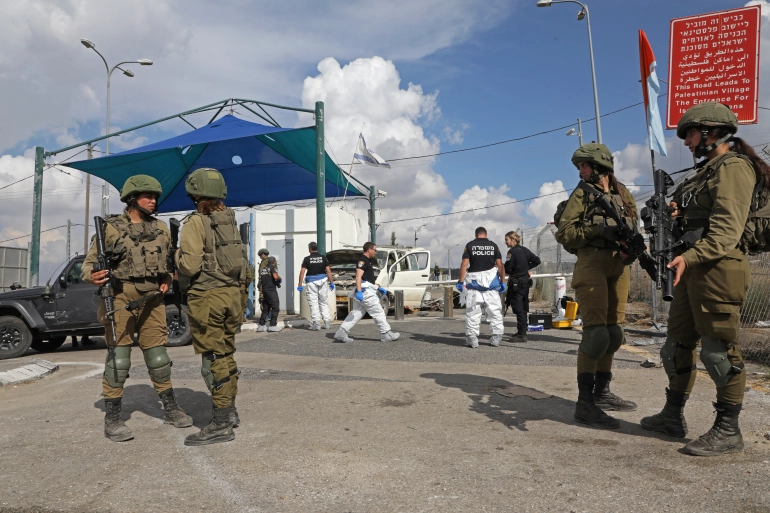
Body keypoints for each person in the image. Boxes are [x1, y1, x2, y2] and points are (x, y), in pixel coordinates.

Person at [640, 102, 765, 456]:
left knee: (718, 351)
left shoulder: (734, 167)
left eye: (691, 134)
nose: (687, 142)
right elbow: (699, 218)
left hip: (719, 268)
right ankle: (672, 415)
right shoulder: (702, 174)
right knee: (675, 348)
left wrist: (689, 256)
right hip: (690, 266)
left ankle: (728, 430)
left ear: (712, 132)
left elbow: (726, 231)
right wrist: (676, 215)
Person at [82, 174, 192, 442]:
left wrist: (167, 280)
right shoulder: (110, 228)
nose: (153, 201)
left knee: (158, 357)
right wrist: (92, 276)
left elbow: (168, 264)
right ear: (132, 199)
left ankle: (170, 408)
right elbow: (88, 265)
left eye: (155, 197)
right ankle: (113, 417)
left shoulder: (161, 228)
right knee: (119, 359)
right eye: (148, 196)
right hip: (120, 297)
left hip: (152, 298)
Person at [555, 143, 639, 429]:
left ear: (600, 166)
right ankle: (585, 404)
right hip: (592, 261)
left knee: (614, 333)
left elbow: (634, 225)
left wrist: (631, 248)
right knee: (596, 334)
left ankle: (602, 392)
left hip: (619, 264)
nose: (580, 171)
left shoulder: (623, 193)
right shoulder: (582, 193)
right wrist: (599, 229)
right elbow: (566, 232)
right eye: (579, 166)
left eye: (584, 165)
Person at [177, 167, 248, 446]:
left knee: (214, 358)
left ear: (194, 193)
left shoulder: (195, 222)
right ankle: (229, 411)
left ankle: (221, 424)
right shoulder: (228, 219)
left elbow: (190, 265)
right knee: (227, 354)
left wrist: (176, 257)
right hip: (231, 296)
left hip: (208, 297)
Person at [334, 242, 400, 343]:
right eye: (375, 250)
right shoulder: (363, 261)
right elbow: (358, 276)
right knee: (378, 312)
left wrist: (378, 287)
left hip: (366, 290)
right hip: (366, 292)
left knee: (356, 313)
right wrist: (359, 291)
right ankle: (386, 333)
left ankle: (341, 332)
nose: (376, 252)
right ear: (369, 250)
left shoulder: (367, 261)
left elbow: (367, 279)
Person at [456, 227, 506, 348]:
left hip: (474, 283)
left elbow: (464, 264)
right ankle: (496, 337)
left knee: (473, 312)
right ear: (486, 234)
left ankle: (472, 338)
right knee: (494, 311)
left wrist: (461, 281)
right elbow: (500, 265)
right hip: (491, 284)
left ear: (476, 235)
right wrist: (503, 282)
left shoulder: (470, 245)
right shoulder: (493, 246)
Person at [504, 232, 540, 342]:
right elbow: (537, 261)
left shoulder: (511, 252)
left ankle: (522, 335)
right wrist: (525, 269)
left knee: (518, 309)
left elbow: (508, 269)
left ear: (513, 239)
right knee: (523, 308)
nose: (505, 242)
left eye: (506, 239)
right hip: (525, 284)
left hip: (516, 284)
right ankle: (521, 331)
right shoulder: (525, 250)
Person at [297, 242, 335, 331]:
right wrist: (331, 282)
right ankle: (327, 323)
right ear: (317, 248)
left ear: (310, 249)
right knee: (324, 302)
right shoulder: (323, 258)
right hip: (323, 281)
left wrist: (300, 284)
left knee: (313, 303)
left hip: (311, 283)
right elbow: (328, 271)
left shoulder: (306, 259)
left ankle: (316, 324)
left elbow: (302, 272)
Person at [257, 256, 282, 332]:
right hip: (271, 290)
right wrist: (280, 278)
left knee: (266, 308)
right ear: (274, 262)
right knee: (275, 307)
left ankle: (261, 325)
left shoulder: (263, 269)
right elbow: (275, 276)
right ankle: (273, 325)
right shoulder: (272, 268)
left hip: (264, 290)